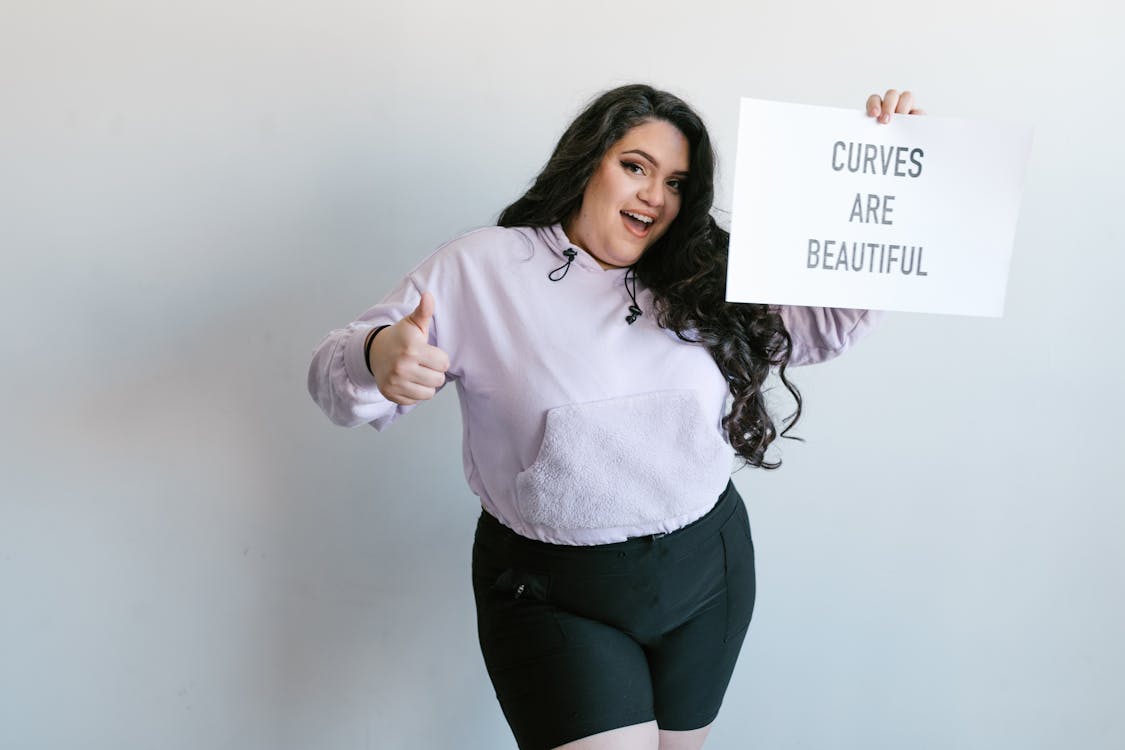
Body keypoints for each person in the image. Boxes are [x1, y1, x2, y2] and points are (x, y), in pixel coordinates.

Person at [308, 85, 924, 750]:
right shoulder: (481, 267)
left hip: (706, 571)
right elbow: (332, 376)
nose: (654, 196)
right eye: (635, 166)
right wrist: (377, 355)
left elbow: (821, 327)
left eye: (676, 182)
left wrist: (883, 169)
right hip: (552, 591)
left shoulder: (703, 270)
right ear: (587, 163)